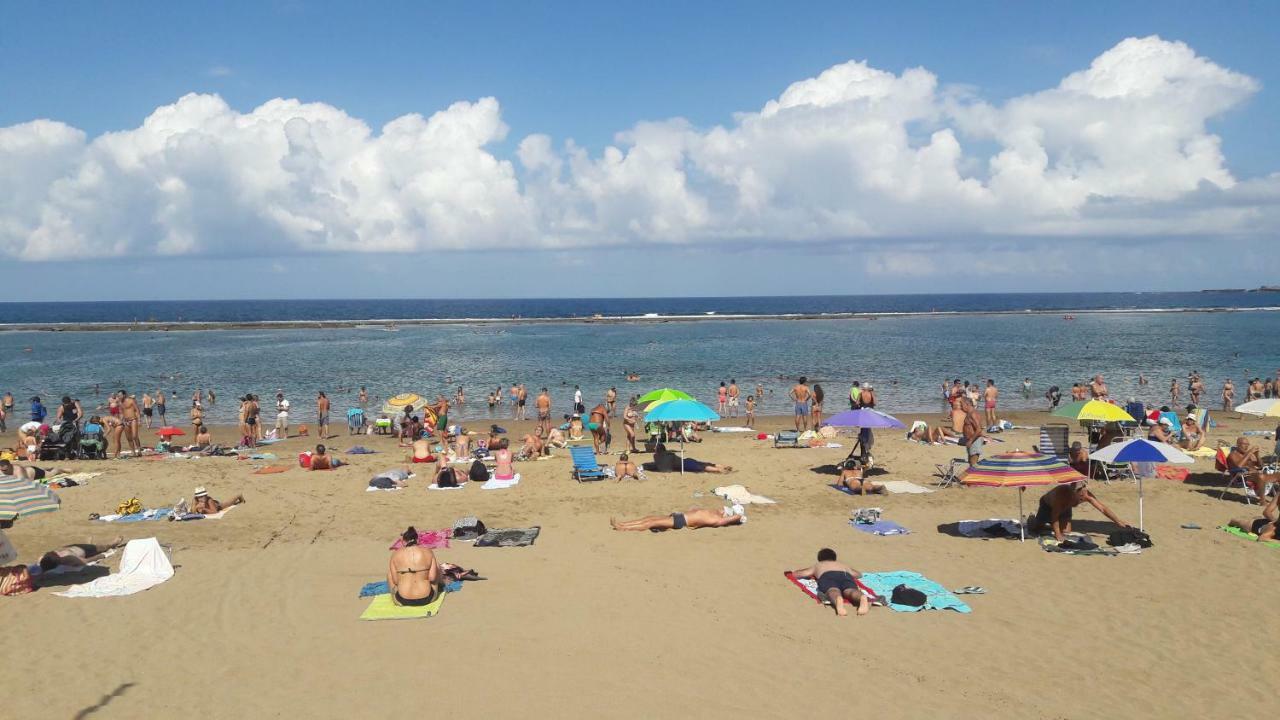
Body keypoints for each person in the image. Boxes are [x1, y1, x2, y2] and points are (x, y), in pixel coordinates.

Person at [1027, 481, 1131, 542]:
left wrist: (1118, 521)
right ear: (1073, 493)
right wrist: (1057, 535)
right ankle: (1032, 518)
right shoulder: (1061, 495)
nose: (1083, 495)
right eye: (1080, 494)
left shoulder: (1085, 494)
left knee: (1067, 532)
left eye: (1084, 491)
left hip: (1065, 508)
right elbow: (1055, 515)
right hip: (1047, 505)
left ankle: (1050, 525)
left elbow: (1102, 508)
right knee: (1035, 529)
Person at [790, 548, 870, 617]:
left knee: (832, 590)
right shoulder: (842, 565)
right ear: (834, 558)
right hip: (845, 575)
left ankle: (837, 600)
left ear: (820, 559)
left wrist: (793, 573)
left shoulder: (819, 565)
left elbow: (803, 573)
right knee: (850, 590)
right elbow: (858, 575)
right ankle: (861, 598)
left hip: (827, 576)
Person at [387, 527, 442, 607]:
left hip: (402, 600)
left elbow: (396, 581)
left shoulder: (395, 555)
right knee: (436, 566)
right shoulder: (428, 552)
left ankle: (394, 595)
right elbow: (432, 578)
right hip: (427, 598)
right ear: (418, 539)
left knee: (389, 574)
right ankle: (441, 585)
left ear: (403, 541)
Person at [610, 506, 745, 532]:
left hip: (680, 522)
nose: (722, 509)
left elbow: (729, 519)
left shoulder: (716, 520)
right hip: (678, 515)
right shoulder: (713, 511)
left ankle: (623, 528)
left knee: (651, 523)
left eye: (725, 510)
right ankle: (623, 523)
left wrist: (738, 517)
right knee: (649, 518)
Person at [36, 537, 126, 573]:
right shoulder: (45, 558)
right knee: (101, 547)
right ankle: (111, 544)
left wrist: (99, 556)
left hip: (79, 549)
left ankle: (112, 543)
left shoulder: (67, 558)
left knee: (102, 547)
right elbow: (87, 561)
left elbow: (86, 561)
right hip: (79, 549)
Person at [642, 443, 732, 474]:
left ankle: (719, 470)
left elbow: (663, 468)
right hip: (686, 460)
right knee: (704, 463)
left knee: (702, 468)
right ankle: (722, 466)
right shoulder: (669, 454)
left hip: (685, 464)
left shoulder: (658, 457)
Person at [960, 398, 987, 467]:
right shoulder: (969, 414)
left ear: (967, 404)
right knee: (970, 462)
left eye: (961, 405)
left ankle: (975, 477)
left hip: (975, 441)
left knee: (973, 463)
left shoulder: (973, 414)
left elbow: (978, 429)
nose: (960, 407)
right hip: (971, 440)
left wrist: (971, 440)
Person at [0, 460, 73, 482]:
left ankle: (60, 469)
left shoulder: (18, 469)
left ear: (10, 465)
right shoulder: (1, 470)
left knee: (51, 474)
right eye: (2, 470)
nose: (4, 471)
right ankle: (47, 468)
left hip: (35, 472)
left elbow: (23, 482)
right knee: (45, 469)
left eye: (6, 469)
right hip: (28, 469)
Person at [119, 390, 142, 456]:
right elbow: (121, 413)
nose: (119, 396)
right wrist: (121, 421)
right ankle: (133, 452)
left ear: (124, 395)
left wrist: (139, 420)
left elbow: (137, 410)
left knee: (135, 436)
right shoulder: (120, 403)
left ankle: (139, 450)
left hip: (133, 420)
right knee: (129, 438)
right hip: (126, 421)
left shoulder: (131, 400)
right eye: (118, 395)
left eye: (120, 395)